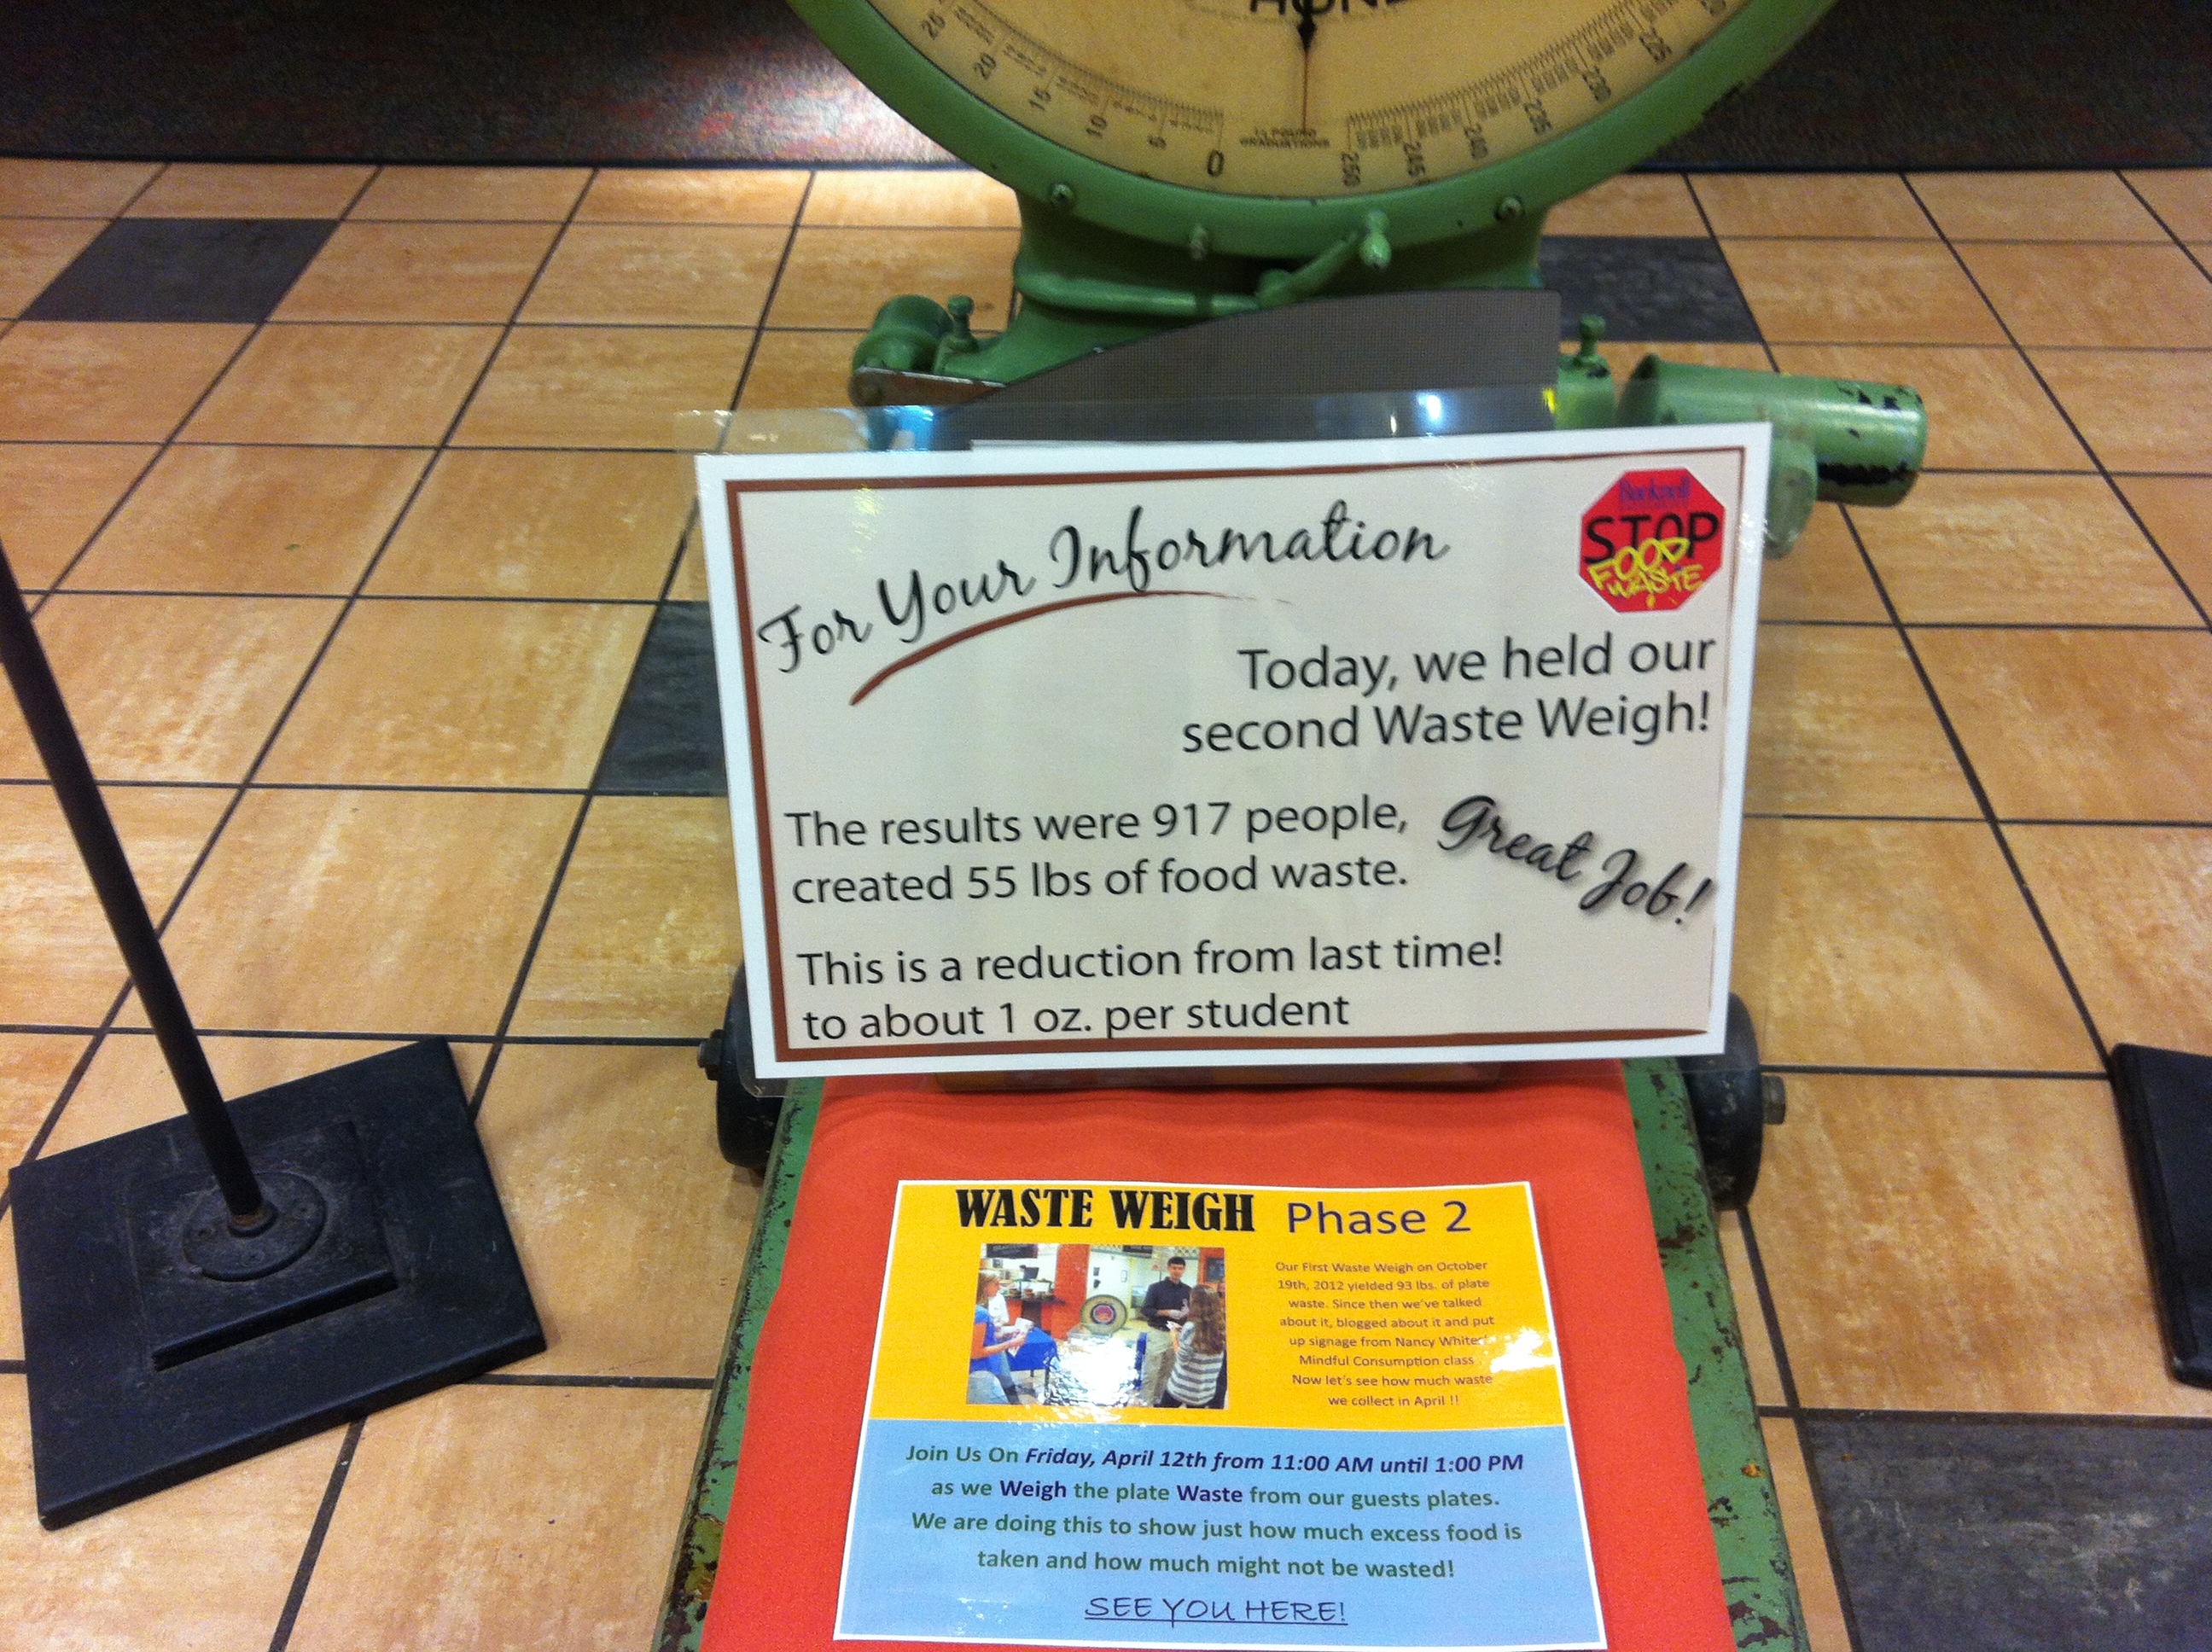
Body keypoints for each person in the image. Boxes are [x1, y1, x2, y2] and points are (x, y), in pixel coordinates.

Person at [1159, 1286, 1226, 1410]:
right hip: (1205, 1392)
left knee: (1163, 1416)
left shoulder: (1191, 1328)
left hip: (1182, 1388)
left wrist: (1175, 1337)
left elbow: (1182, 1359)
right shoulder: (1222, 1327)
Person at [1137, 1257, 1191, 1405]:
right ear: (1168, 1268)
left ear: (1184, 1270)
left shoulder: (1188, 1290)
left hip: (1177, 1335)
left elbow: (1192, 1313)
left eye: (1180, 1268)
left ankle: (1159, 1402)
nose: (1177, 1271)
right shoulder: (1155, 1288)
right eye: (1174, 1268)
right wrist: (1167, 1312)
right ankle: (1146, 1402)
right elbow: (1146, 1310)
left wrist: (1188, 1313)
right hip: (1158, 1332)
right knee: (1152, 1370)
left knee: (1168, 1371)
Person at [969, 1273, 1027, 1405]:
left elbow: (980, 1337)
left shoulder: (978, 1309)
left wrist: (1000, 1335)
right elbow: (976, 1352)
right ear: (984, 1286)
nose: (999, 1288)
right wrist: (1011, 1343)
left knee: (1005, 1378)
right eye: (995, 1284)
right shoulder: (980, 1313)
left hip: (984, 1364)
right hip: (981, 1369)